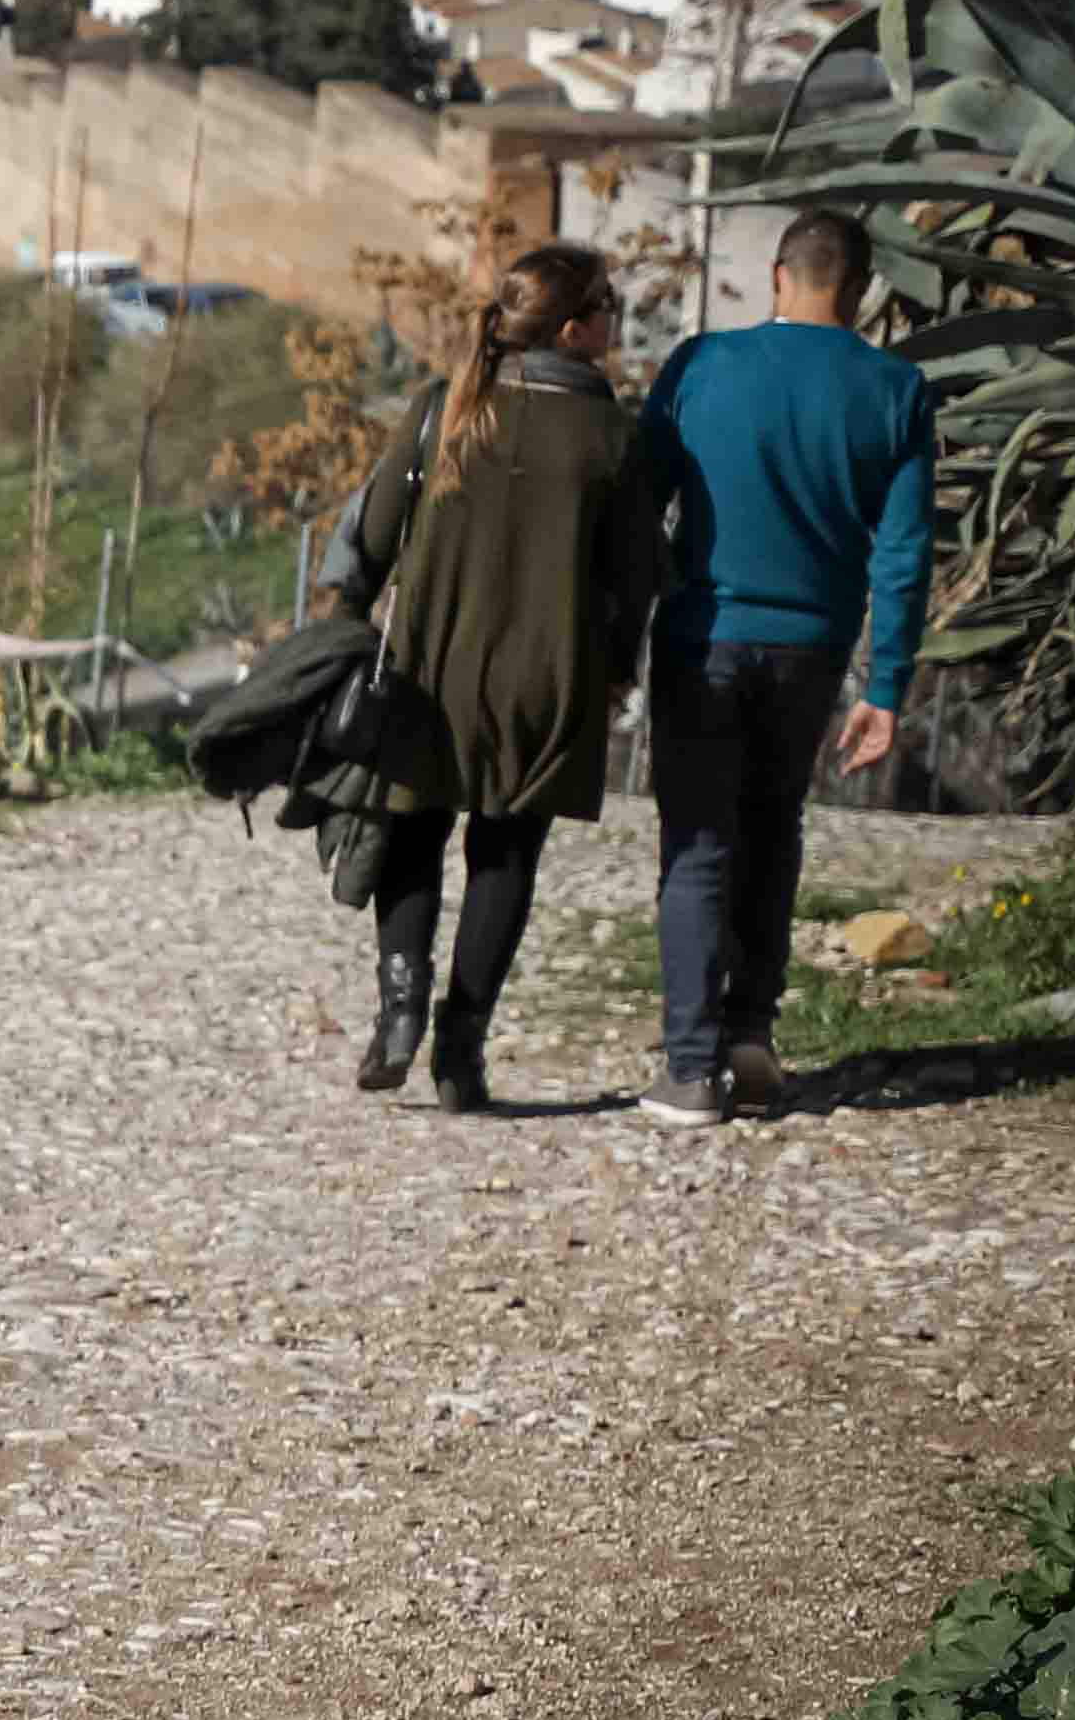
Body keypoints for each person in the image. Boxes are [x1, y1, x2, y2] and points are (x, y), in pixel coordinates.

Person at [334, 240, 668, 1114]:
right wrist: (616, 671)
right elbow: (636, 573)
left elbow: (373, 536)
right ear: (574, 328)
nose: (616, 323)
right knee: (506, 854)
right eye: (609, 307)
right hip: (549, 675)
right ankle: (462, 1051)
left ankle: (399, 1011)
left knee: (412, 833)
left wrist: (342, 632)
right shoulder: (610, 433)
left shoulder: (442, 407)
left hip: (429, 662)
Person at [632, 211, 936, 1125]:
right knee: (773, 829)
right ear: (862, 289)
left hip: (703, 637)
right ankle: (751, 1039)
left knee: (698, 841)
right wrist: (885, 686)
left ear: (777, 274)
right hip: (814, 649)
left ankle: (691, 1067)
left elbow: (636, 503)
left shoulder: (700, 365)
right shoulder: (897, 388)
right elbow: (904, 553)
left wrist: (618, 632)